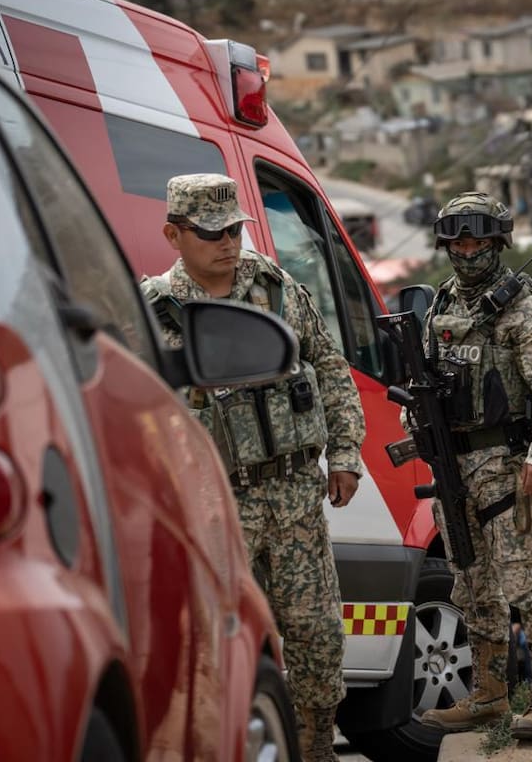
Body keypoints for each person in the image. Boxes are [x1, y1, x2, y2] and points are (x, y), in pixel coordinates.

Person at [140, 174, 365, 762]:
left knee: (317, 638)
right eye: (211, 231)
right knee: (222, 646)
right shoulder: (156, 313)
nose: (228, 242)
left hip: (293, 495)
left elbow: (332, 368)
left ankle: (315, 748)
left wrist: (344, 454)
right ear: (174, 233)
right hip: (216, 510)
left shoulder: (278, 291)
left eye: (235, 228)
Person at [414, 192, 532, 740]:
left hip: (509, 467)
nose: (465, 250)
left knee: (528, 582)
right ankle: (488, 696)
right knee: (472, 583)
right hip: (454, 467)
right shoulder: (440, 305)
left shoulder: (521, 309)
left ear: (497, 242)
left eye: (476, 239)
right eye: (456, 240)